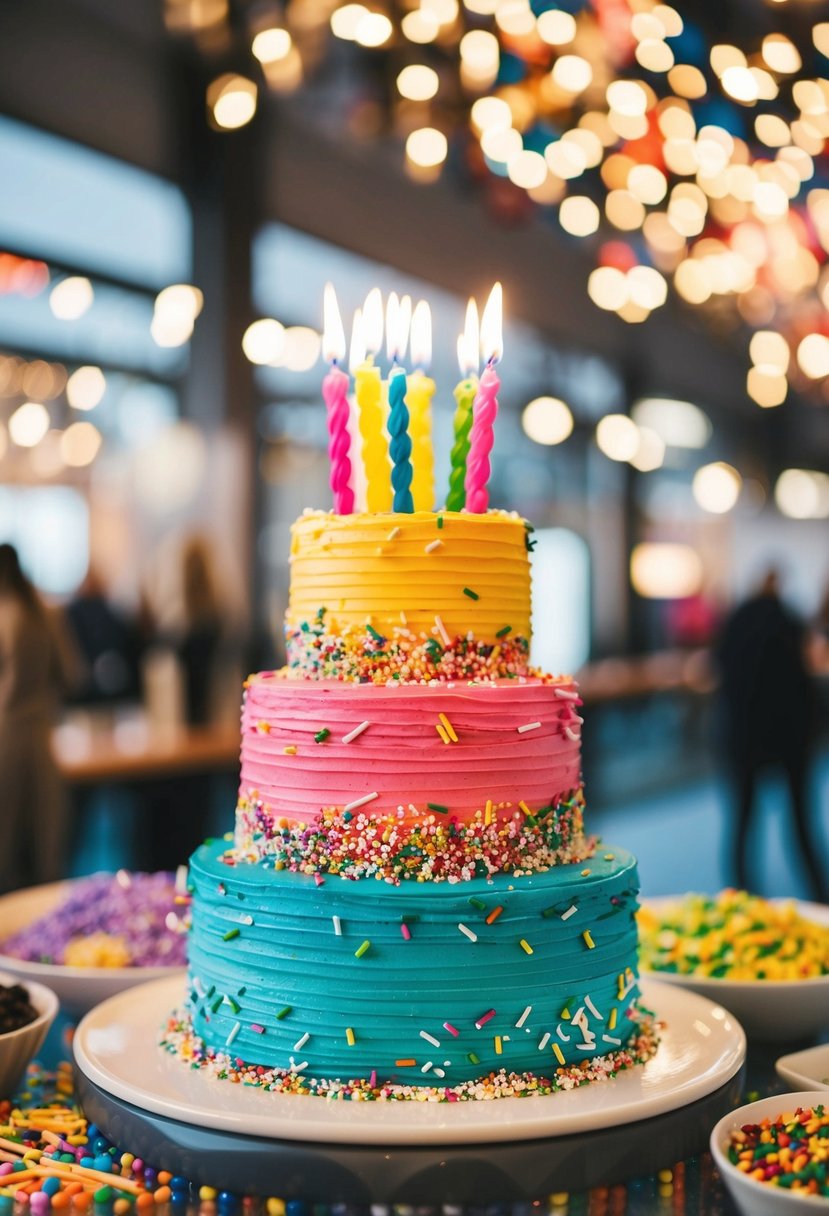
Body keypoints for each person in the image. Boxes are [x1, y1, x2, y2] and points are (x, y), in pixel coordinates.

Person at [716, 568, 826, 900]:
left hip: (742, 734)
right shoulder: (790, 621)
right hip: (791, 734)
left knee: (743, 822)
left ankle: (740, 898)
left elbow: (719, 669)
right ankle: (821, 896)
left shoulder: (735, 620)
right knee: (803, 823)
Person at [0, 544, 73, 892]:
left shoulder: (4, 614)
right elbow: (71, 673)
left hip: (5, 732)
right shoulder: (44, 612)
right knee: (43, 836)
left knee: (8, 836)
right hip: (41, 734)